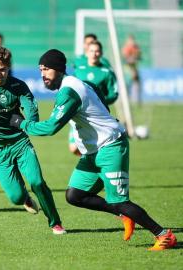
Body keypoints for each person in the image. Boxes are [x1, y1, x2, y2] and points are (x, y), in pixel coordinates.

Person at [10, 49, 177, 250]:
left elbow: (51, 127)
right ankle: (124, 214)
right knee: (75, 195)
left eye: (46, 69)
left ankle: (164, 235)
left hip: (111, 147)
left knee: (120, 200)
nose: (42, 75)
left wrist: (22, 124)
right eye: (40, 70)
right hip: (93, 152)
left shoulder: (69, 92)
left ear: (59, 69)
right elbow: (97, 93)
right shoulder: (77, 84)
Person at [0, 46, 66, 234]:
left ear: (9, 68)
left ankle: (55, 223)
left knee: (37, 182)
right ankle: (24, 198)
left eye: (2, 69)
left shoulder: (18, 86)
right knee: (16, 197)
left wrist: (31, 123)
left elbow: (30, 106)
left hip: (20, 143)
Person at [70, 40, 118, 155]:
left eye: (97, 51)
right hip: (79, 113)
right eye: (91, 51)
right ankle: (90, 162)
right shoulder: (79, 70)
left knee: (96, 144)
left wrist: (100, 101)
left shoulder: (106, 72)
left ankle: (93, 164)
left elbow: (114, 93)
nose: (94, 53)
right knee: (73, 148)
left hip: (97, 114)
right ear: (87, 53)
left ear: (101, 53)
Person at [122, 34, 141, 104]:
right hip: (128, 69)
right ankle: (127, 100)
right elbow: (125, 58)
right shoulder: (126, 48)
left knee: (137, 84)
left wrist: (136, 57)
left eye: (133, 40)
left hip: (135, 68)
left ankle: (137, 100)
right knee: (127, 84)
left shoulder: (136, 48)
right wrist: (132, 59)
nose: (132, 42)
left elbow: (139, 57)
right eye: (130, 40)